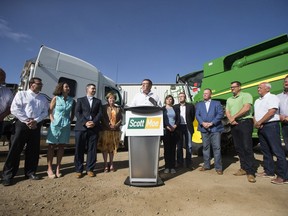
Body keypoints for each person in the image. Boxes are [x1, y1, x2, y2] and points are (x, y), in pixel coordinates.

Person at [2, 77, 48, 186]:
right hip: (21, 124)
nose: (41, 85)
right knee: (15, 150)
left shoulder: (42, 98)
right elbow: (14, 109)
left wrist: (35, 121)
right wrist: (27, 120)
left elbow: (45, 112)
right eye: (39, 83)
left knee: (33, 150)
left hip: (35, 125)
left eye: (41, 83)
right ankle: (8, 176)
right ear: (32, 84)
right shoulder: (21, 94)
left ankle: (30, 172)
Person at [254, 82, 288, 185]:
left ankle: (284, 176)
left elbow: (271, 112)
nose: (258, 89)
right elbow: (255, 114)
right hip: (261, 127)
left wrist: (260, 122)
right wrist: (256, 122)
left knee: (277, 151)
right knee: (266, 150)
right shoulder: (257, 100)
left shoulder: (272, 97)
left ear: (267, 89)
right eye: (258, 87)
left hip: (271, 126)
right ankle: (269, 172)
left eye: (260, 87)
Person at [225, 81, 256, 183]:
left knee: (247, 147)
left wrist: (234, 117)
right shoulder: (229, 99)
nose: (232, 89)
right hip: (234, 124)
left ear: (239, 87)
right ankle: (243, 168)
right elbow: (227, 111)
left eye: (234, 87)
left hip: (245, 123)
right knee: (238, 147)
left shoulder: (246, 95)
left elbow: (246, 108)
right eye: (231, 87)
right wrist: (231, 119)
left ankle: (251, 172)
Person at [46, 82, 75, 178]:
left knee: (62, 146)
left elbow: (72, 113)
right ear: (61, 88)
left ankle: (58, 168)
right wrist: (52, 121)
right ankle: (49, 168)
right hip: (55, 124)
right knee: (51, 145)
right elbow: (50, 111)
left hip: (65, 125)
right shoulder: (56, 98)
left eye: (68, 86)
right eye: (66, 86)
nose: (68, 88)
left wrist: (69, 121)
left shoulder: (72, 100)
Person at [74, 84, 102, 178]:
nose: (94, 90)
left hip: (93, 128)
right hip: (81, 127)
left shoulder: (98, 101)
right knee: (79, 149)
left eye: (95, 88)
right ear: (87, 89)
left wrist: (94, 122)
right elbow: (77, 112)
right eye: (92, 88)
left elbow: (100, 113)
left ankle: (90, 169)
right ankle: (79, 170)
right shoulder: (80, 100)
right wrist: (85, 122)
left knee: (92, 149)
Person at [196, 88, 224, 175]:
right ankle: (206, 165)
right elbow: (197, 114)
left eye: (206, 93)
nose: (204, 95)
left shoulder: (216, 103)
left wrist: (212, 123)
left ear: (210, 94)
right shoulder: (199, 104)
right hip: (204, 129)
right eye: (204, 93)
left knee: (217, 148)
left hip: (215, 129)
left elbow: (220, 114)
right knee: (205, 147)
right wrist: (202, 123)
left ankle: (218, 167)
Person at [98, 92, 122, 172]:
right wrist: (108, 125)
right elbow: (102, 118)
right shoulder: (103, 107)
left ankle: (111, 164)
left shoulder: (118, 108)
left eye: (113, 98)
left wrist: (116, 126)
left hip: (115, 131)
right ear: (107, 99)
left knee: (112, 149)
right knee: (105, 148)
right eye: (110, 98)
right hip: (105, 130)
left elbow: (121, 119)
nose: (112, 99)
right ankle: (105, 164)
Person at [174, 92, 195, 170]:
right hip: (179, 128)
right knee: (179, 146)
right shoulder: (175, 107)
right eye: (180, 96)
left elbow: (192, 116)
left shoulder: (190, 106)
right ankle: (180, 163)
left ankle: (188, 163)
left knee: (189, 145)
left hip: (188, 127)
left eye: (182, 96)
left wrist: (188, 122)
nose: (181, 98)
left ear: (185, 97)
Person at [162, 95, 180, 174]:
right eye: (168, 99)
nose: (169, 100)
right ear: (165, 100)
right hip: (166, 130)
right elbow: (160, 119)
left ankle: (172, 167)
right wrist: (166, 126)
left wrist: (175, 126)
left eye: (170, 99)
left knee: (173, 149)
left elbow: (178, 119)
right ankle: (167, 166)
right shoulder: (162, 109)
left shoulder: (175, 108)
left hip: (174, 130)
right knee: (167, 149)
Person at [0, 68, 14, 138]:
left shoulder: (7, 91)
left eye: (4, 76)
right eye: (2, 76)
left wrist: (2, 116)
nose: (5, 79)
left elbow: (11, 106)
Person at [277, 75, 288, 156]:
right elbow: (275, 111)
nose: (286, 83)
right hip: (284, 125)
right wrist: (279, 116)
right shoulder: (278, 96)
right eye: (285, 81)